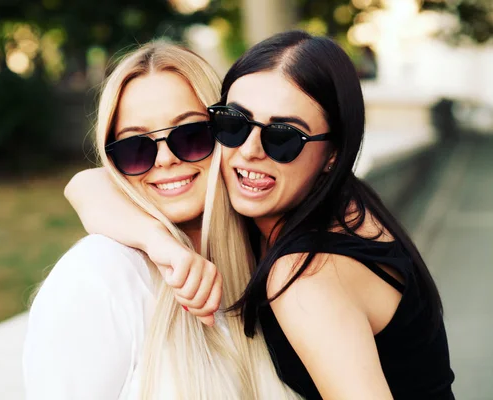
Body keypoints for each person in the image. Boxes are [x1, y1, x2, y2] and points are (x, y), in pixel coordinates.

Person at [65, 31, 455, 399]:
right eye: (234, 124)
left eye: (283, 136)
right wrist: (160, 243)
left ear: (332, 155)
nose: (251, 150)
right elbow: (87, 185)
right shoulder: (343, 206)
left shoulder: (304, 275)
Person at [23, 41, 296, 400]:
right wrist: (159, 242)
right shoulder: (98, 277)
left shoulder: (271, 260)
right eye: (136, 147)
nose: (165, 159)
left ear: (228, 134)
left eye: (191, 135)